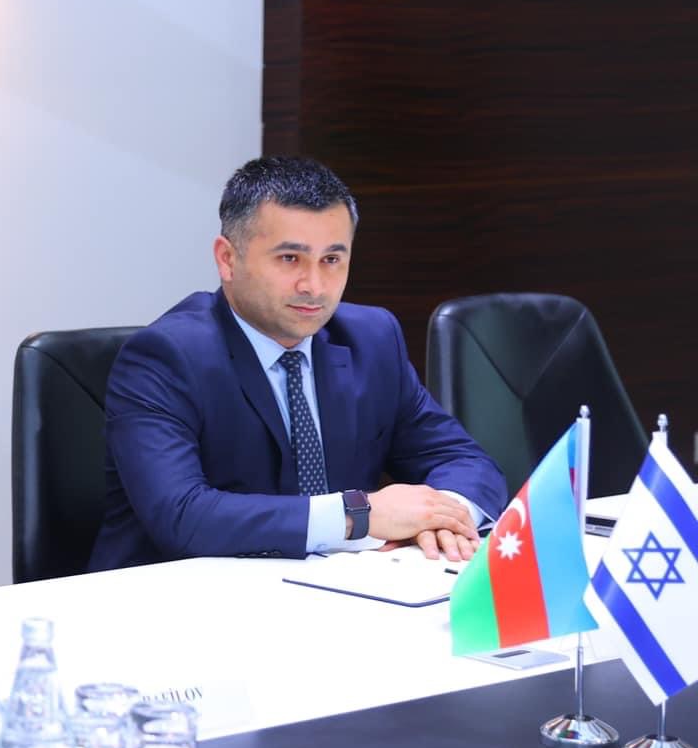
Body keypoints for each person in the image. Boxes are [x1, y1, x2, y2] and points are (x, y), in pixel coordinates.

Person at [90, 156, 506, 572]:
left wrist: (443, 515)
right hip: (177, 597)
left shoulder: (372, 338)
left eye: (332, 259)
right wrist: (357, 515)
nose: (314, 286)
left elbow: (464, 461)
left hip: (339, 588)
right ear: (227, 259)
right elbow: (182, 515)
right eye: (290, 258)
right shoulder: (165, 357)